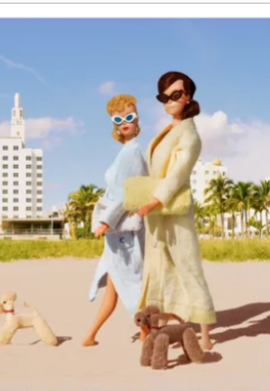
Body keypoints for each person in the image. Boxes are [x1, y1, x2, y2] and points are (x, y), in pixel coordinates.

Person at [135, 72, 217, 351]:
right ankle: (154, 327)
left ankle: (205, 333)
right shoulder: (168, 130)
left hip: (173, 208)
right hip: (156, 212)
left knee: (187, 265)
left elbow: (177, 175)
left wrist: (153, 201)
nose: (169, 102)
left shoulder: (190, 133)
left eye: (174, 95)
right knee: (157, 268)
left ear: (188, 96)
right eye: (163, 97)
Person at [82, 94, 149, 347]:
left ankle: (146, 331)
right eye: (118, 119)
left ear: (137, 119)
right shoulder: (126, 151)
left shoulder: (133, 152)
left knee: (131, 283)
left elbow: (125, 193)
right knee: (117, 284)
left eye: (129, 117)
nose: (124, 123)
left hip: (122, 232)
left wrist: (106, 222)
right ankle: (91, 335)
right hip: (118, 232)